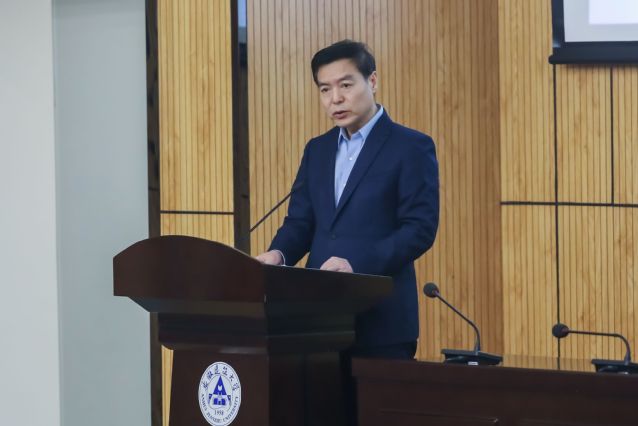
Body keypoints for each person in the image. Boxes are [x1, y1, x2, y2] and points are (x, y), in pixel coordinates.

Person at [256, 39, 439, 360]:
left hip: (381, 322)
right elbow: (301, 222)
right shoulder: (317, 150)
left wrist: (357, 266)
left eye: (345, 85)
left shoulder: (411, 147)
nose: (335, 99)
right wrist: (279, 255)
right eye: (325, 89)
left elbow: (419, 229)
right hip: (316, 321)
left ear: (372, 81)